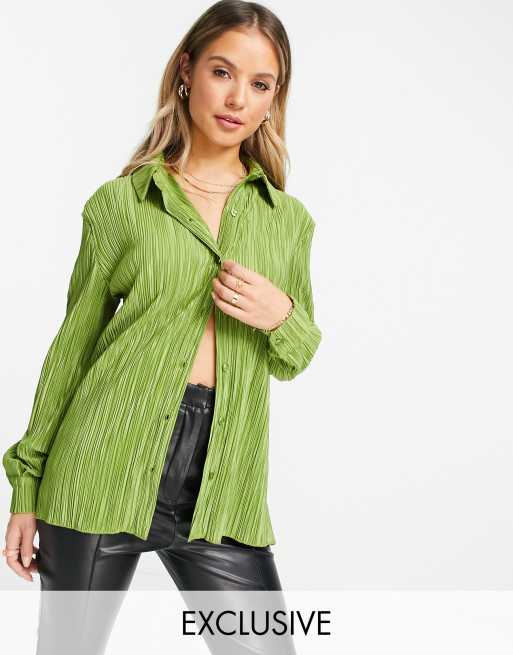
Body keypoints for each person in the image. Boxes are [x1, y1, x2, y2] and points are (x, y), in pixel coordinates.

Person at [2, 1, 322, 652]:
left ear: (274, 99)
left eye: (260, 83)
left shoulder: (286, 221)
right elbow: (73, 347)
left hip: (221, 487)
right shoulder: (122, 204)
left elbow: (293, 356)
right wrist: (26, 490)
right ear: (186, 71)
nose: (237, 98)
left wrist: (281, 315)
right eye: (222, 72)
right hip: (101, 465)